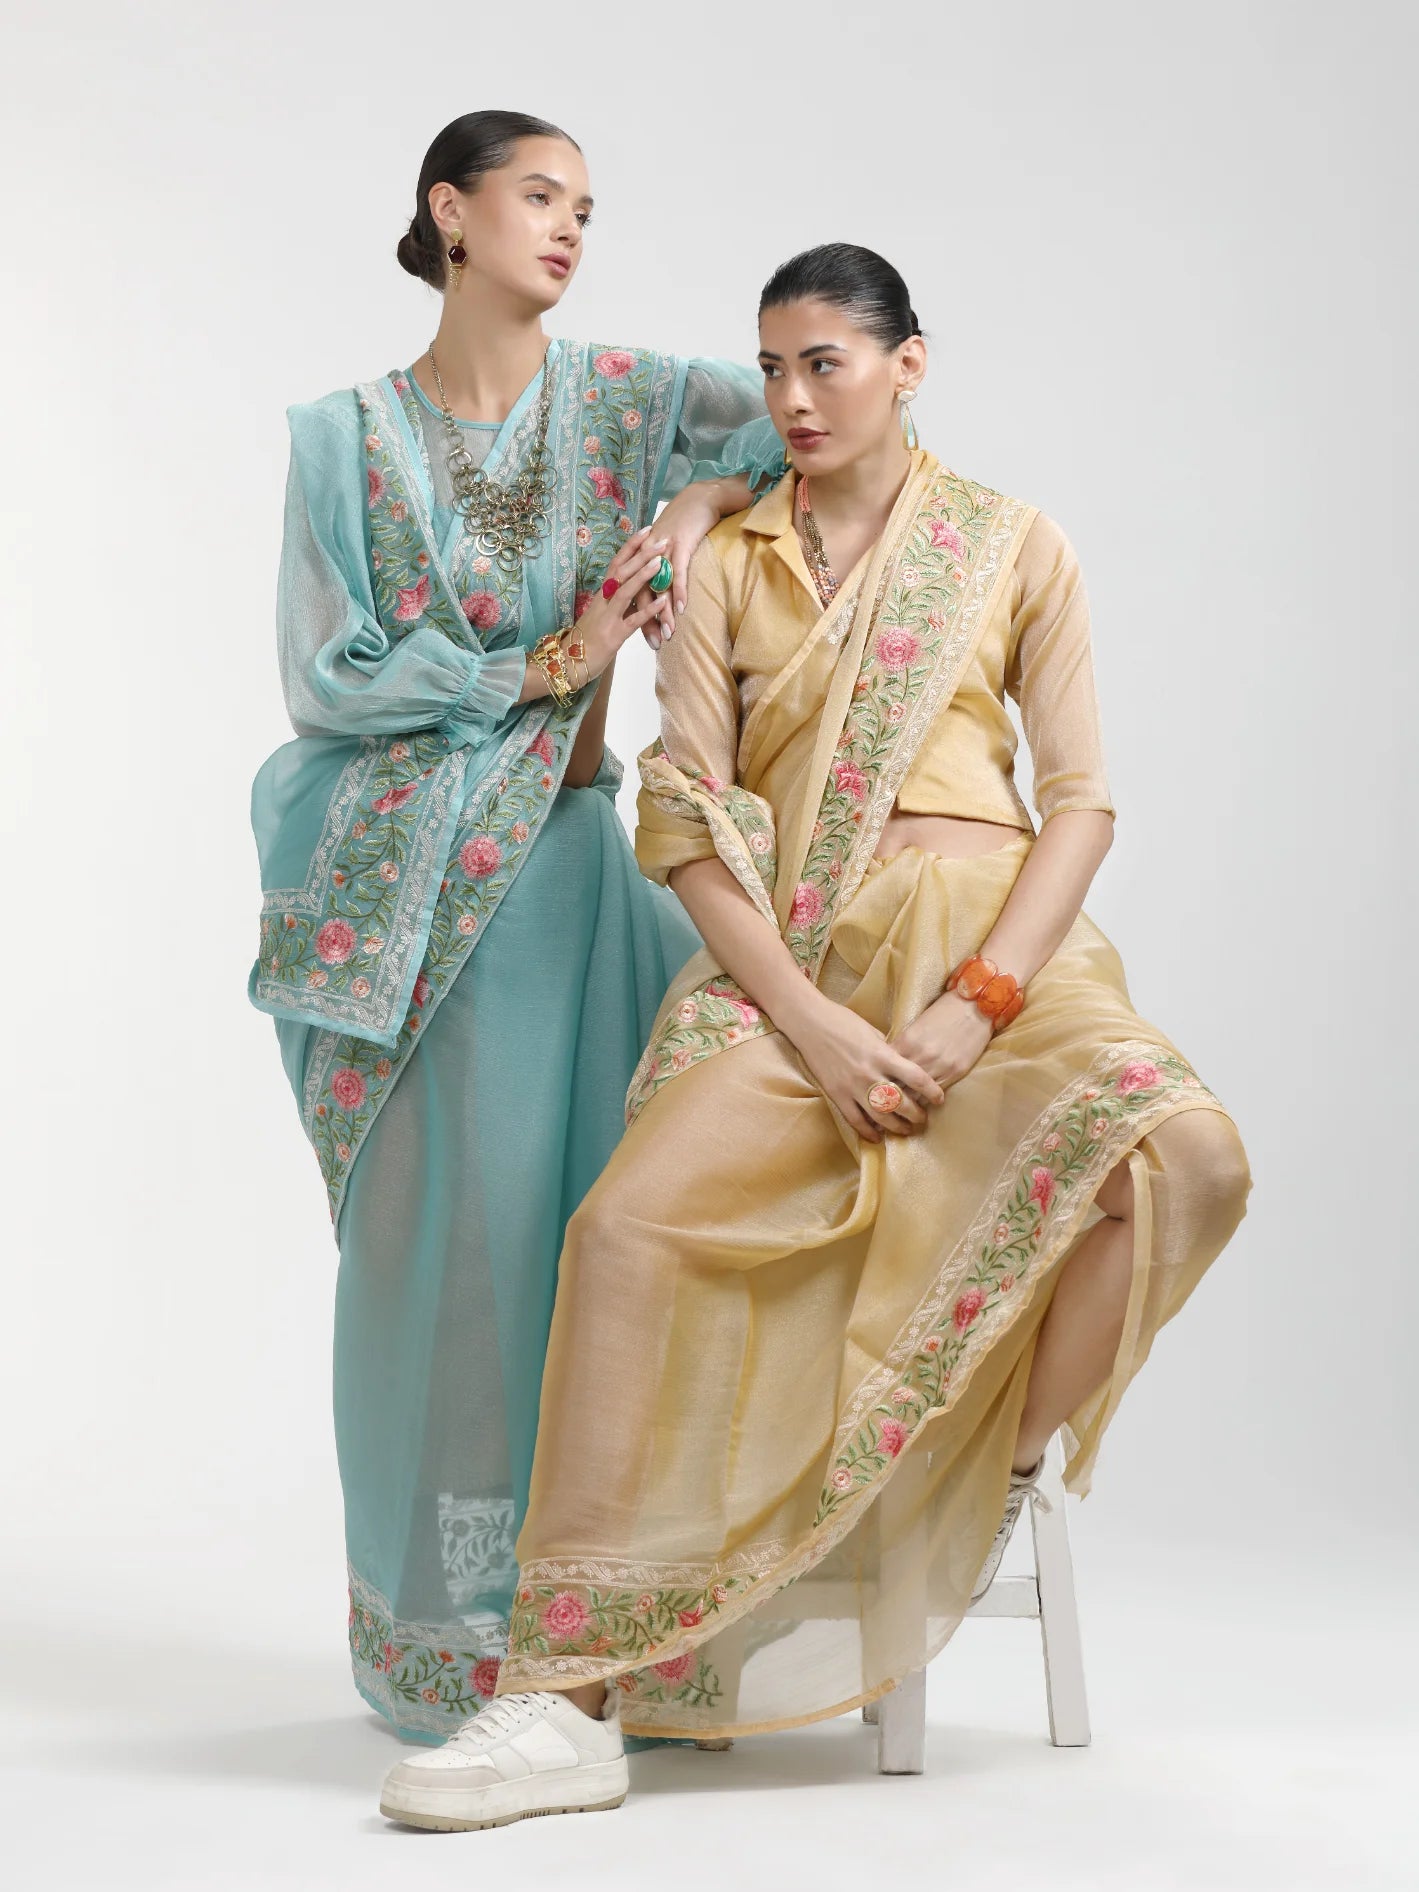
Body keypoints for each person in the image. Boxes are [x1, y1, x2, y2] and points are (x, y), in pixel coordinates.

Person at [375, 242, 1253, 1831]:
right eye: (772, 367)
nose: (790, 395)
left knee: (1183, 1158)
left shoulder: (1011, 544)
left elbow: (1080, 804)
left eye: (824, 363)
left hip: (996, 956)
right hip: (793, 968)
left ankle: (974, 1469)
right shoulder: (727, 559)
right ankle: (562, 1700)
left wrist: (979, 1004)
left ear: (909, 364)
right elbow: (684, 817)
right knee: (624, 1232)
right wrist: (819, 1027)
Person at [247, 109, 785, 1745]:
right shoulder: (346, 438)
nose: (568, 229)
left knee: (604, 1239)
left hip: (569, 876)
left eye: (586, 209)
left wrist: (693, 510)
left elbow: (808, 421)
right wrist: (550, 664)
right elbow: (329, 676)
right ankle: (452, 1648)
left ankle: (604, 1639)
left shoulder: (626, 400)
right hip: (415, 903)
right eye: (540, 196)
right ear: (451, 211)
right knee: (445, 1255)